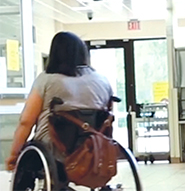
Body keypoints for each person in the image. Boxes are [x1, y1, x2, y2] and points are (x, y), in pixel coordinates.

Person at [4, 32, 114, 187]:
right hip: (92, 148)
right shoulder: (102, 80)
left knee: (26, 160)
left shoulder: (46, 79)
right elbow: (107, 118)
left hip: (52, 150)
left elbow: (26, 121)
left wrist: (14, 155)